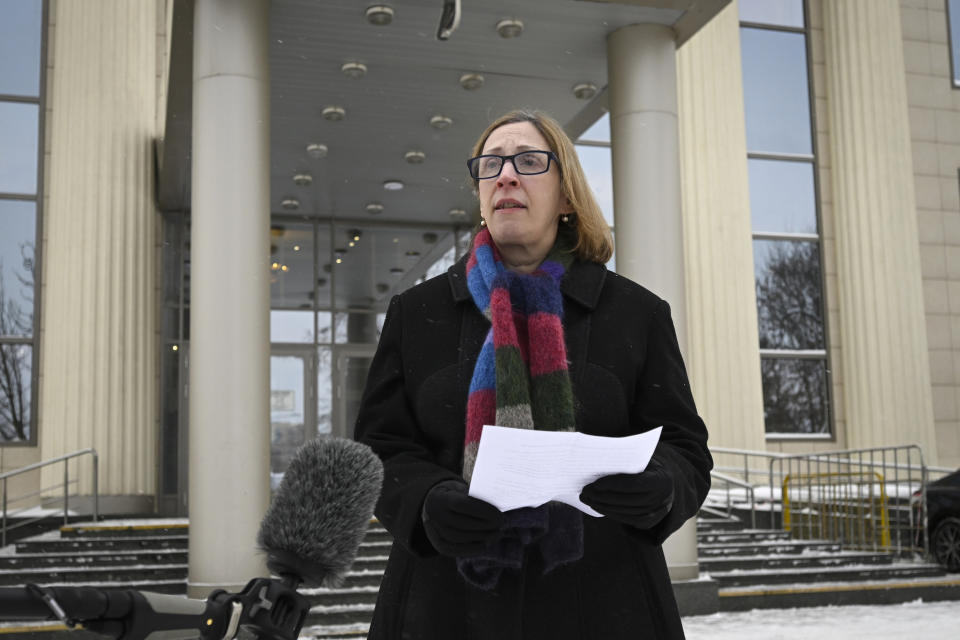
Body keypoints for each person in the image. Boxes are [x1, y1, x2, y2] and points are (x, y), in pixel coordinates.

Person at [354, 109, 712, 640]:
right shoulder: (417, 313)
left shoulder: (635, 314)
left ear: (567, 196)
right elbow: (379, 448)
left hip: (605, 605)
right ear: (479, 194)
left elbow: (685, 447)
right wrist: (426, 501)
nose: (505, 174)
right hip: (443, 607)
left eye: (528, 160)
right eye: (491, 164)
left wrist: (661, 487)